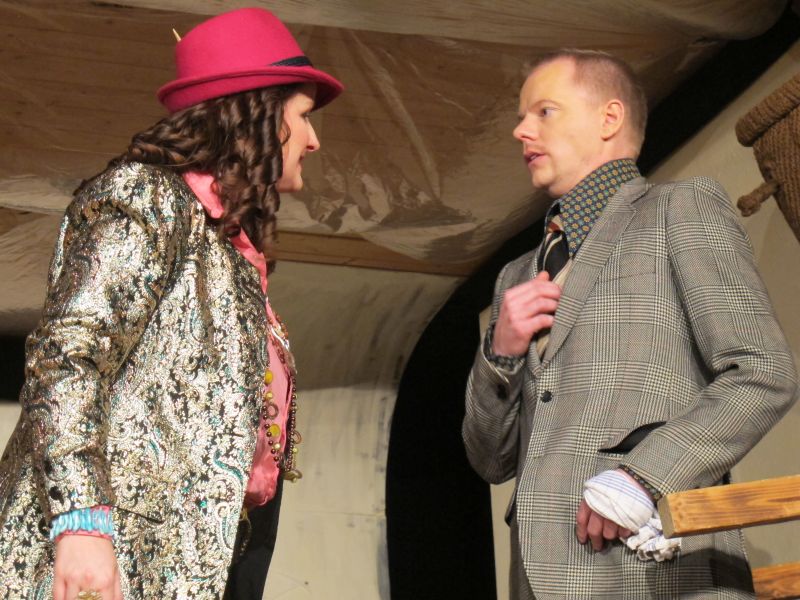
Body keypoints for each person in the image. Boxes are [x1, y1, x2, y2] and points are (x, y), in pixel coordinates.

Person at [0, 7, 342, 600]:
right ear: (258, 115)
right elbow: (68, 358)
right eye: (304, 116)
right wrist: (81, 523)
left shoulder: (227, 241)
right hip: (120, 546)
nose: (315, 139)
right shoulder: (145, 200)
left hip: (215, 547)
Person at [462, 49, 798, 599]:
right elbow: (490, 461)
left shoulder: (679, 209)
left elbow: (764, 372)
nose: (521, 131)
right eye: (523, 117)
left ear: (609, 118)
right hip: (538, 578)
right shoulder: (515, 277)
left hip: (653, 569)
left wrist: (644, 475)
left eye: (544, 111)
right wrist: (499, 353)